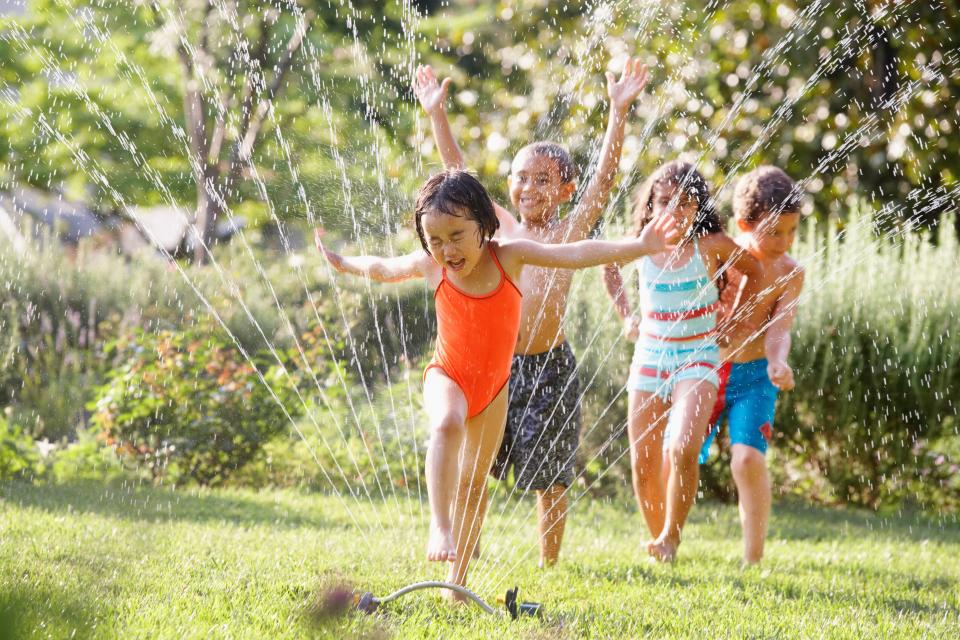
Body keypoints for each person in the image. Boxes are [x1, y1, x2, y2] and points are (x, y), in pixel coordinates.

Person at [317, 170, 677, 598]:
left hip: (494, 389)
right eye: (434, 239)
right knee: (447, 422)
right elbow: (381, 267)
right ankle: (439, 526)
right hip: (447, 375)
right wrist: (344, 263)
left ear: (484, 225)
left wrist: (640, 246)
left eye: (456, 235)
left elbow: (577, 252)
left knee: (473, 483)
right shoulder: (431, 266)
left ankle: (456, 583)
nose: (447, 250)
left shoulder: (510, 256)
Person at [413, 58, 650, 566]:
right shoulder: (496, 230)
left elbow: (604, 180)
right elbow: (457, 179)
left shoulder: (566, 232)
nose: (528, 189)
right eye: (520, 178)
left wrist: (618, 112)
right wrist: (438, 117)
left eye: (543, 180)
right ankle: (463, 548)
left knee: (551, 472)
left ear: (566, 190)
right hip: (492, 368)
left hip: (549, 365)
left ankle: (549, 562)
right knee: (474, 466)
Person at [603, 160, 760, 562]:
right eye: (666, 202)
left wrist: (736, 319)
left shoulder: (711, 247)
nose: (675, 211)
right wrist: (626, 315)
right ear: (651, 206)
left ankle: (672, 536)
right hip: (651, 355)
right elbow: (607, 265)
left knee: (684, 448)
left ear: (699, 208)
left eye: (686, 203)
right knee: (643, 458)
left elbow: (755, 271)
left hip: (698, 356)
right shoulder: (640, 245)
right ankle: (658, 540)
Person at [696, 165, 804, 565]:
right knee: (683, 452)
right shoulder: (723, 257)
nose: (784, 241)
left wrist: (778, 361)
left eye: (792, 231)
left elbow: (779, 328)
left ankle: (752, 559)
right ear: (744, 223)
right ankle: (666, 537)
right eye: (774, 232)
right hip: (708, 369)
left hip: (756, 375)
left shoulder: (790, 272)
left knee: (747, 459)